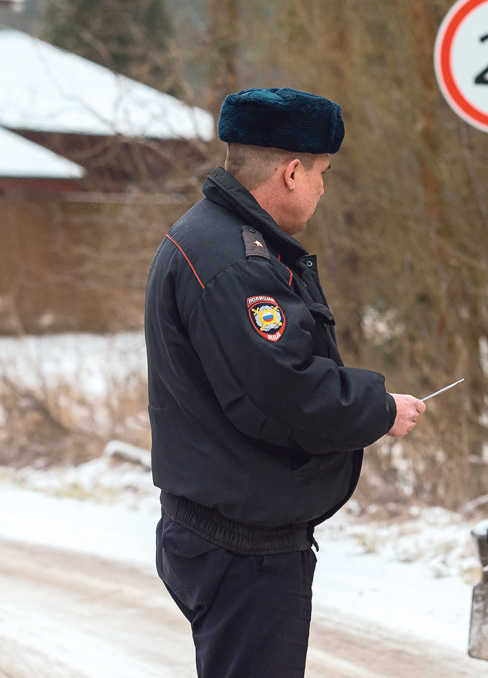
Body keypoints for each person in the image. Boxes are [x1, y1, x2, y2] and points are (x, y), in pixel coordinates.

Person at [144, 87, 426, 677]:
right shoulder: (237, 265)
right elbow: (283, 392)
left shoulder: (209, 237)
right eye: (322, 173)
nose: (323, 188)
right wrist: (379, 407)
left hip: (222, 529)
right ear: (292, 172)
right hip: (242, 548)